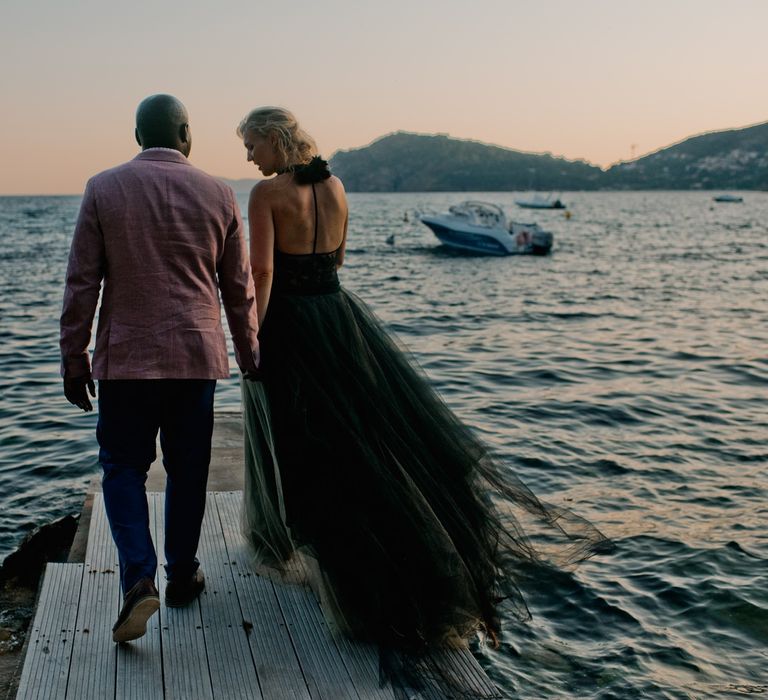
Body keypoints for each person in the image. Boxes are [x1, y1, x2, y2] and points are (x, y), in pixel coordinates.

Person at [236, 107, 610, 659]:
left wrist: (251, 335)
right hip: (339, 318)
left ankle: (330, 562)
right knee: (364, 443)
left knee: (305, 445)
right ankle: (389, 561)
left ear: (273, 139)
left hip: (292, 325)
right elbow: (337, 257)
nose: (248, 157)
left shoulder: (266, 197)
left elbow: (262, 273)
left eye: (251, 145)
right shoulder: (335, 186)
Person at [60, 94, 260, 643]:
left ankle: (137, 577)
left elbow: (82, 282)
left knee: (123, 470)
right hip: (195, 358)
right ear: (185, 132)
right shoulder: (219, 192)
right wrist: (248, 354)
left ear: (137, 135)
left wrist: (72, 356)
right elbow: (238, 290)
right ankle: (181, 575)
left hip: (124, 360)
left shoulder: (103, 187)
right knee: (187, 469)